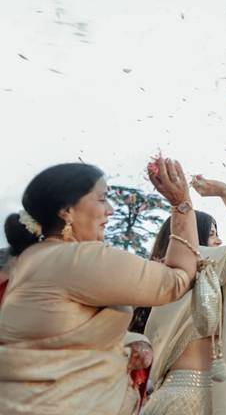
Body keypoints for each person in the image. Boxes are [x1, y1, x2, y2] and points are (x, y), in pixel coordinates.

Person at [0, 160, 200, 414]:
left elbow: (55, 333)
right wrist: (181, 204)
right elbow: (177, 280)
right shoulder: (78, 260)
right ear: (66, 211)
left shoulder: (33, 257)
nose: (111, 209)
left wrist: (130, 342)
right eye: (102, 199)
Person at [140, 174, 226, 415]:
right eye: (211, 233)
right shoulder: (204, 265)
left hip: (166, 396)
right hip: (197, 399)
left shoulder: (164, 275)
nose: (218, 241)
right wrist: (224, 191)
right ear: (193, 236)